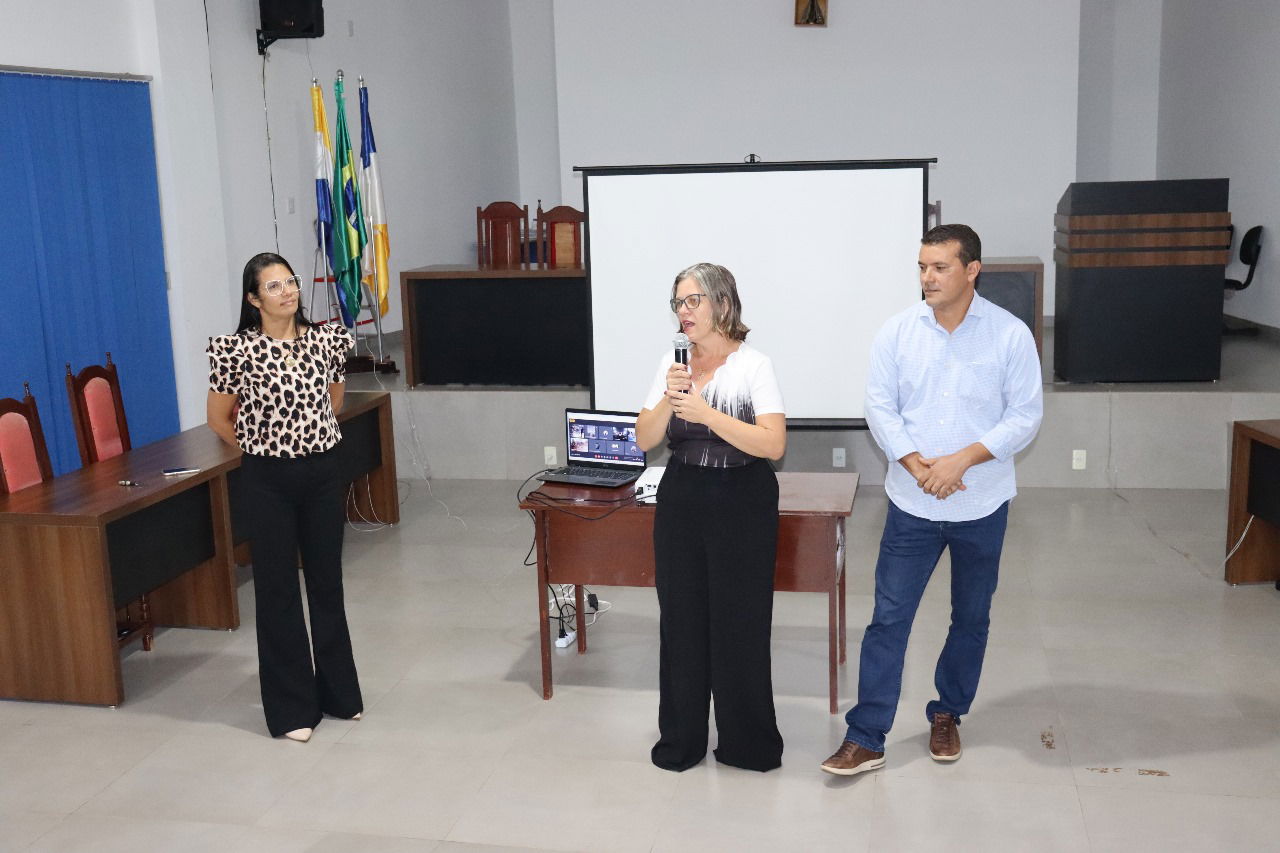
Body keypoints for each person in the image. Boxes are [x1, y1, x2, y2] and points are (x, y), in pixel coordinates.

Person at [821, 224, 1043, 776]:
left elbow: (1025, 416)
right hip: (913, 504)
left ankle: (948, 713)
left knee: (971, 617)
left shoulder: (1010, 335)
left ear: (972, 270)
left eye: (940, 267)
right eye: (922, 266)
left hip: (981, 504)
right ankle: (866, 735)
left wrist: (961, 461)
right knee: (888, 619)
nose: (927, 277)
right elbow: (880, 406)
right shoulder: (898, 332)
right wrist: (917, 464)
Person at [636, 262, 787, 772]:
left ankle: (748, 745)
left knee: (739, 624)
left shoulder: (754, 366)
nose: (684, 312)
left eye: (693, 301)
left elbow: (773, 442)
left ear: (722, 303)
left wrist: (708, 415)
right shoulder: (671, 364)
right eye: (678, 303)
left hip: (743, 499)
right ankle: (682, 741)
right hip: (683, 497)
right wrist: (669, 396)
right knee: (680, 622)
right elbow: (645, 438)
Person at [207, 252, 363, 742]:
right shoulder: (236, 350)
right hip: (266, 481)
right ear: (253, 299)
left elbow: (335, 400)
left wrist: (306, 435)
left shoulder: (327, 338)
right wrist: (264, 445)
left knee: (326, 583)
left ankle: (339, 694)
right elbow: (218, 419)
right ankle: (293, 709)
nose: (288, 291)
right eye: (273, 287)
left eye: (290, 282)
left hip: (321, 472)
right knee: (277, 592)